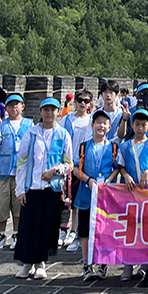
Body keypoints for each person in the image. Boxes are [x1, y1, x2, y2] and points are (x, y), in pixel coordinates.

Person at [14, 97, 74, 280]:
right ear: (40, 112)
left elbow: (69, 164)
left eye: (53, 110)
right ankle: (27, 263)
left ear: (58, 112)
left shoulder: (63, 134)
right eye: (46, 110)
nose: (49, 113)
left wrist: (55, 170)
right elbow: (21, 162)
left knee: (47, 227)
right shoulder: (31, 133)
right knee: (28, 226)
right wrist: (20, 190)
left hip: (52, 188)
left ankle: (41, 263)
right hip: (32, 187)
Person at [72, 109, 119, 281]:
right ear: (92, 125)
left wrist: (109, 181)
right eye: (98, 122)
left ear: (109, 127)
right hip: (87, 194)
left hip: (106, 196)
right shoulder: (84, 146)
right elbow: (75, 169)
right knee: (85, 232)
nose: (101, 126)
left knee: (104, 231)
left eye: (104, 123)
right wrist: (89, 180)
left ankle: (102, 264)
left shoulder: (113, 147)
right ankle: (87, 265)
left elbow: (117, 168)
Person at [116, 108, 148, 281]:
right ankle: (127, 265)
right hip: (130, 192)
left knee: (147, 227)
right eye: (137, 124)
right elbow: (120, 166)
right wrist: (126, 175)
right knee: (130, 227)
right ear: (132, 125)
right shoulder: (125, 146)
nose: (140, 128)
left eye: (144, 125)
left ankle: (145, 263)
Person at [0, 94, 33, 251]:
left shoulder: (30, 124)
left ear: (22, 106)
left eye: (17, 104)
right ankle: (1, 234)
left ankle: (16, 234)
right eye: (11, 105)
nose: (14, 107)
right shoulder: (1, 124)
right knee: (0, 204)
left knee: (18, 206)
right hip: (3, 171)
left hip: (22, 173)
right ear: (5, 108)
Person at [60, 90, 93, 252]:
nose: (82, 103)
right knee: (65, 199)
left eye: (86, 101)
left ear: (90, 104)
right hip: (68, 164)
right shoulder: (67, 119)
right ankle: (64, 229)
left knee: (78, 200)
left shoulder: (92, 121)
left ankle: (74, 230)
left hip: (82, 166)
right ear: (75, 102)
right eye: (80, 100)